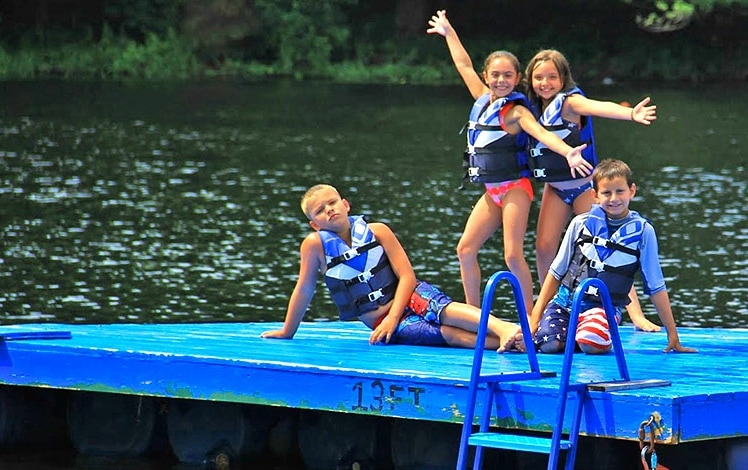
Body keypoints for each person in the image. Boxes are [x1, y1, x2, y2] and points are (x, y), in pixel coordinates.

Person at [426, 10, 588, 315]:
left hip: (515, 187)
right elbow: (463, 64)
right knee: (465, 249)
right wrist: (449, 33)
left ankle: (530, 316)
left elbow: (540, 133)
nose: (500, 80)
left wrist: (567, 151)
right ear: (487, 77)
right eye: (495, 75)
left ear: (517, 80)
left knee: (512, 255)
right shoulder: (481, 99)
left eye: (507, 76)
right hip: (492, 191)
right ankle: (474, 315)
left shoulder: (515, 111)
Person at [260, 184, 526, 352]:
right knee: (447, 336)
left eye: (332, 203)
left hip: (409, 296)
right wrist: (287, 331)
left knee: (444, 310)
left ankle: (504, 329)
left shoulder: (378, 231)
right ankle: (513, 344)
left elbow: (407, 276)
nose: (329, 210)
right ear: (314, 224)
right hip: (378, 320)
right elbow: (304, 289)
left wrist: (393, 315)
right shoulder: (313, 246)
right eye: (320, 210)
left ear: (346, 204)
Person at [523, 49, 660, 331]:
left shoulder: (570, 103)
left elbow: (599, 106)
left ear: (564, 79)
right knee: (544, 247)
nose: (545, 83)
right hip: (556, 187)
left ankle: (636, 316)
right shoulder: (532, 108)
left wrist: (630, 114)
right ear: (531, 80)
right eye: (539, 77)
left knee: (608, 250)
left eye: (552, 77)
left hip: (585, 187)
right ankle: (553, 304)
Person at [529, 159, 697, 354]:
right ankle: (568, 335)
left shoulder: (643, 232)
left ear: (632, 191)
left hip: (601, 308)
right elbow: (556, 272)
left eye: (620, 191)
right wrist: (535, 318)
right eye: (606, 193)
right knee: (550, 344)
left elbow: (656, 285)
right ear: (595, 195)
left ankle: (588, 334)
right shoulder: (579, 224)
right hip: (565, 304)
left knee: (589, 342)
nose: (613, 198)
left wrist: (672, 334)